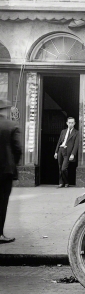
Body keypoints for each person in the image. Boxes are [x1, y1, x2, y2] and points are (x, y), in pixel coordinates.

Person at [0, 100, 22, 244]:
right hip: (5, 170)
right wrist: (14, 164)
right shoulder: (11, 125)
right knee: (2, 202)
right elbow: (18, 149)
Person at [54, 117, 80, 188]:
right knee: (60, 167)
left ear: (74, 123)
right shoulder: (63, 131)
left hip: (68, 152)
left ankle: (66, 182)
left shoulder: (76, 133)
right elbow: (59, 142)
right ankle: (61, 183)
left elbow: (76, 145)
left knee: (63, 168)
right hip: (60, 150)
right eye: (69, 123)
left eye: (72, 123)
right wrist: (56, 152)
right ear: (67, 123)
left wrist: (73, 154)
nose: (70, 124)